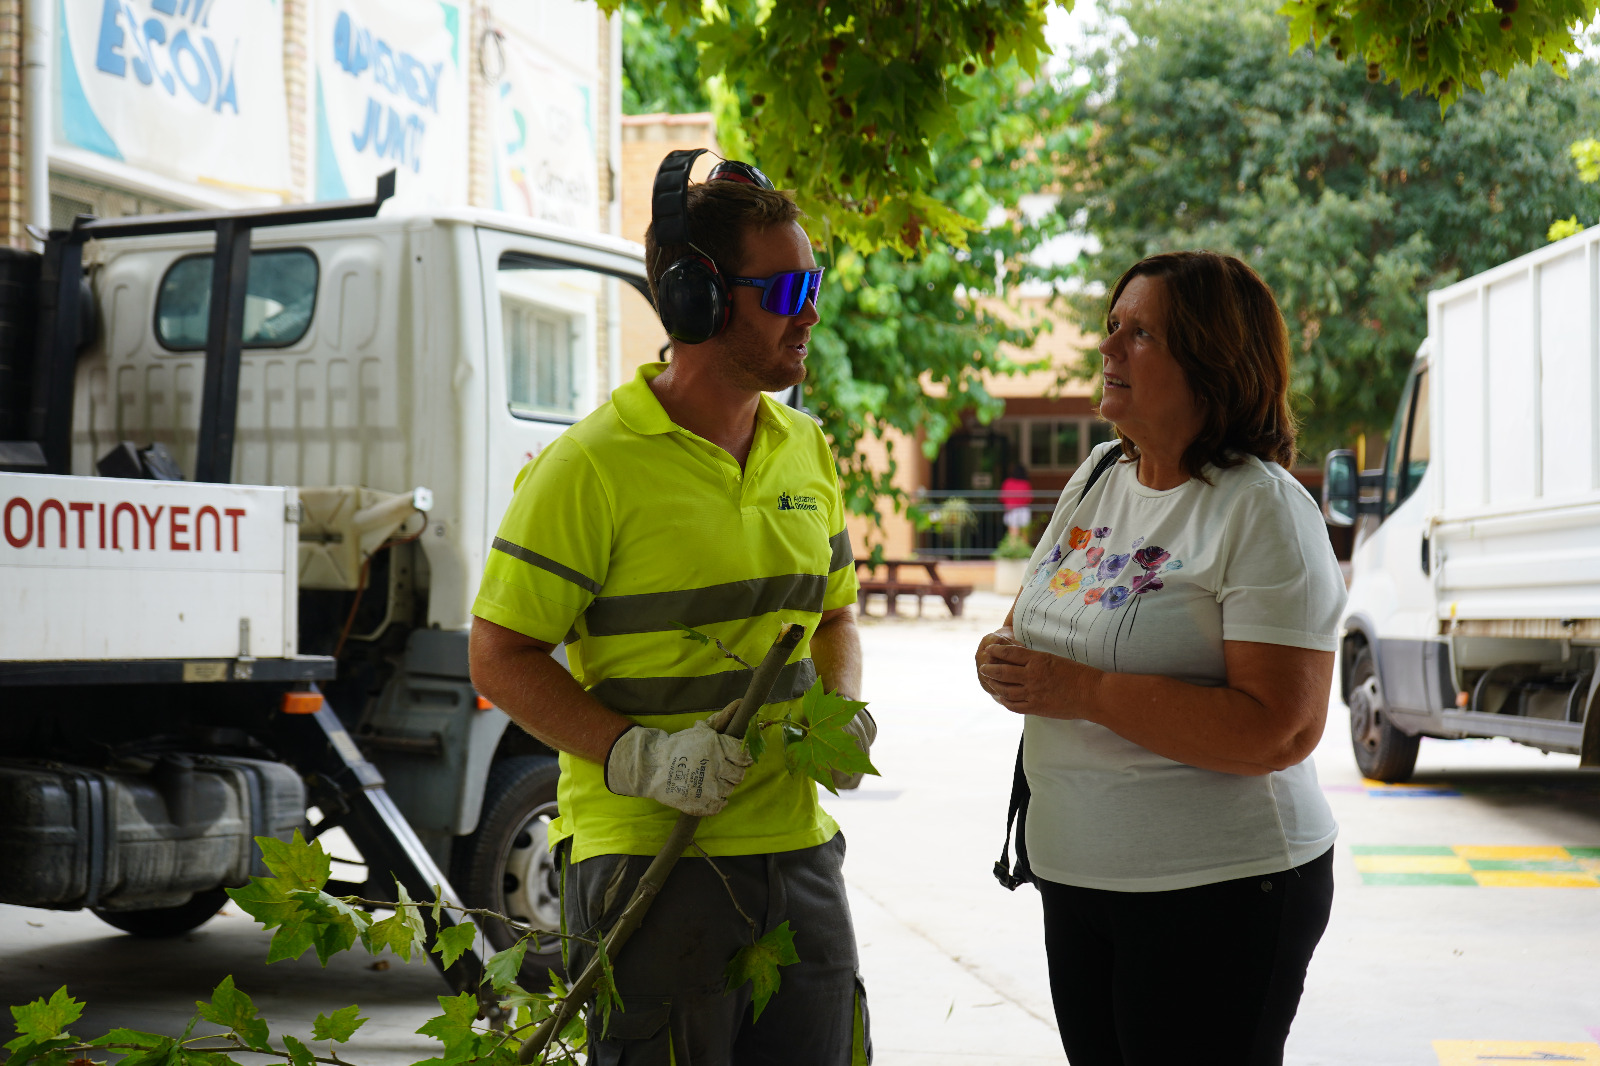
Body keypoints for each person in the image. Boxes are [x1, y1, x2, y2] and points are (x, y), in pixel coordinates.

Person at [468, 158, 873, 1065]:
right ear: (695, 300)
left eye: (816, 283)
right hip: (649, 864)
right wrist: (637, 755)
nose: (811, 310)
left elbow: (837, 616)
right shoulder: (588, 469)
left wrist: (838, 708)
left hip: (800, 853)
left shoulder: (806, 448)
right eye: (788, 288)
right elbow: (499, 656)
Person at [974, 250, 1344, 1065]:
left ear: (1213, 362)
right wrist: (1005, 659)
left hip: (1216, 891)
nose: (1108, 349)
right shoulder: (1100, 475)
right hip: (1079, 878)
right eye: (1113, 325)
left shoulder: (1262, 510)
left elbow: (1280, 731)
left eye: (1140, 334)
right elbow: (1034, 622)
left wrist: (1083, 690)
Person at [999, 463, 1034, 541]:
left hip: (1011, 510)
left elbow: (1002, 498)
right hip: (1023, 510)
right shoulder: (1025, 484)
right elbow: (1029, 499)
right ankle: (1025, 553)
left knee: (1013, 535)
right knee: (1024, 536)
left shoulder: (1007, 482)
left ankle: (1014, 552)